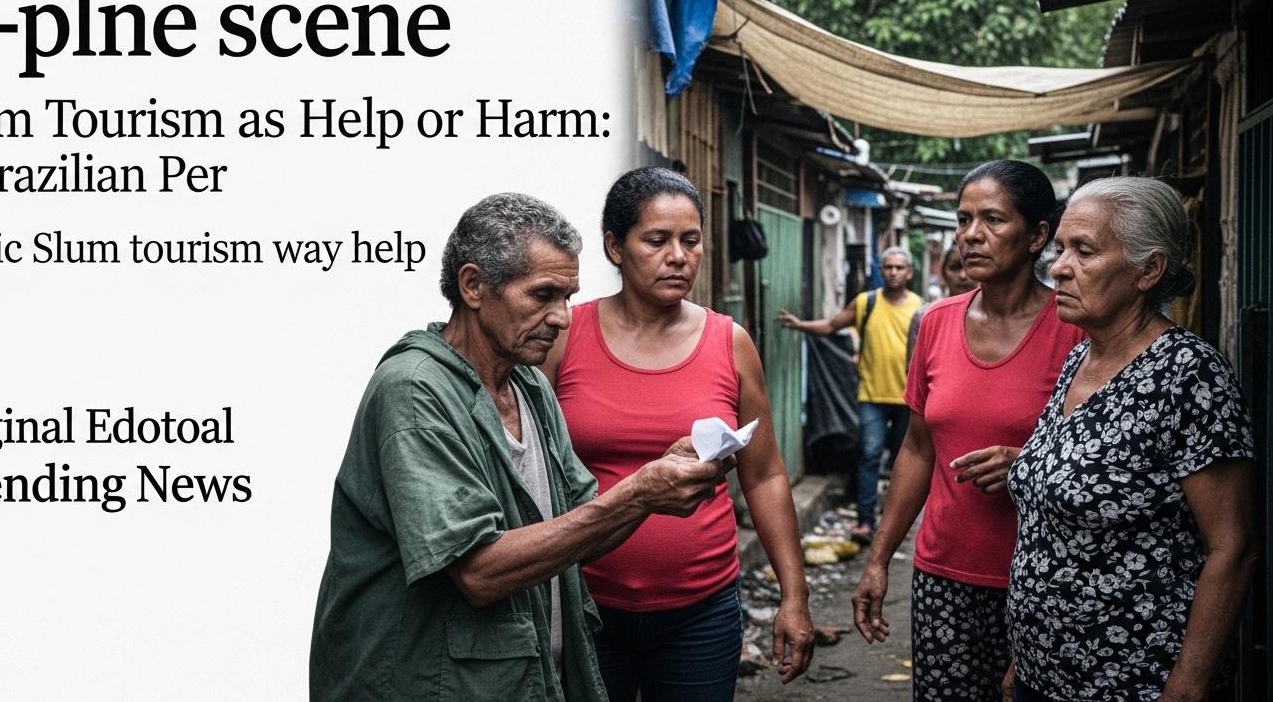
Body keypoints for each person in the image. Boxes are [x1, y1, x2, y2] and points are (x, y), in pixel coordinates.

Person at [309, 193, 735, 702]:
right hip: (425, 684)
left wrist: (660, 475)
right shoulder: (414, 391)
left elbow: (583, 522)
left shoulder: (528, 386)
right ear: (473, 286)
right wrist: (639, 494)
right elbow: (478, 572)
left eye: (567, 297)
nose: (560, 317)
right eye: (542, 295)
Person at [542, 167, 814, 701]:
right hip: (584, 605)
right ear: (615, 247)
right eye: (657, 240)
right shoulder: (563, 336)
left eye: (691, 241)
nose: (678, 256)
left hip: (702, 611)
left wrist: (795, 595)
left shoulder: (729, 342)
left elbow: (765, 476)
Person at [1005, 177, 1255, 702]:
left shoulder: (1188, 375)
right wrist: (1024, 659)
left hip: (1134, 681)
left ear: (1149, 270)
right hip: (1042, 673)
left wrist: (1186, 687)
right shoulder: (1081, 357)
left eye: (1084, 251)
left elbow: (1232, 547)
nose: (1058, 267)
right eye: (1060, 249)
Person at [851, 159, 1085, 701]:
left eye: (993, 220)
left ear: (1038, 236)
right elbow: (916, 449)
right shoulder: (934, 322)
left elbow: (1093, 464)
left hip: (1043, 584)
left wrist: (1026, 464)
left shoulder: (1073, 330)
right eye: (963, 220)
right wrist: (879, 560)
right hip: (943, 576)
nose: (971, 236)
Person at [779, 246, 923, 542]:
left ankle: (894, 524)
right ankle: (865, 522)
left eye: (899, 267)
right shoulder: (866, 303)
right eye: (888, 267)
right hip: (871, 396)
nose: (893, 272)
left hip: (909, 399)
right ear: (880, 271)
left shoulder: (921, 308)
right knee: (869, 455)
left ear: (909, 273)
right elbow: (833, 325)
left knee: (901, 463)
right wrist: (801, 325)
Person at [907, 247, 977, 368]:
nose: (963, 275)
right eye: (955, 268)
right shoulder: (925, 316)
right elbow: (913, 375)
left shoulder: (997, 318)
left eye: (970, 267)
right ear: (943, 274)